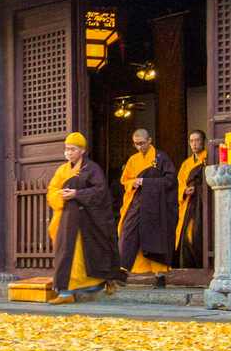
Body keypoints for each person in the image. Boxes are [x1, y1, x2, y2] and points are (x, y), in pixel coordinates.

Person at [46, 132, 125, 304]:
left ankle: (99, 284)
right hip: (67, 220)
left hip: (87, 222)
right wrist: (60, 195)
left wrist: (77, 193)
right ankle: (66, 293)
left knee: (89, 254)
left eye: (72, 149)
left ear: (82, 150)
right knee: (66, 254)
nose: (69, 152)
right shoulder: (62, 170)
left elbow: (100, 192)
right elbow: (51, 190)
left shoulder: (92, 169)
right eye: (67, 149)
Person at [118, 128, 178, 287]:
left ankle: (159, 276)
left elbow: (171, 180)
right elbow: (125, 181)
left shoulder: (161, 158)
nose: (139, 147)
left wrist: (147, 182)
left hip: (156, 206)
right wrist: (133, 183)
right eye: (136, 144)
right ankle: (123, 271)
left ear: (150, 140)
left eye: (142, 143)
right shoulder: (132, 160)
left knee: (154, 237)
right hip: (137, 203)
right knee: (127, 232)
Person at [174, 129, 208, 269]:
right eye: (191, 141)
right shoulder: (186, 163)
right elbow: (179, 182)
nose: (194, 144)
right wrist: (184, 191)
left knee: (197, 233)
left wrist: (199, 188)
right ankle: (189, 266)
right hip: (190, 203)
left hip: (203, 203)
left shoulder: (208, 159)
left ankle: (202, 265)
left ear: (203, 142)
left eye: (197, 140)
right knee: (187, 235)